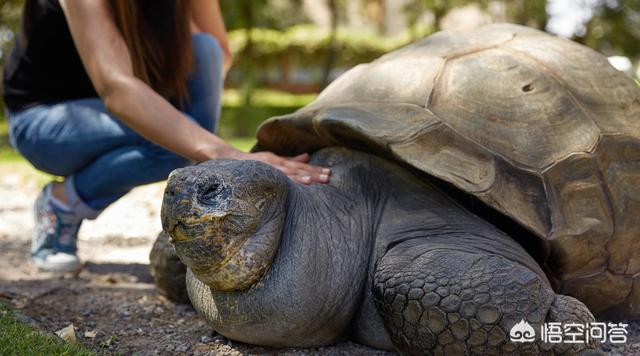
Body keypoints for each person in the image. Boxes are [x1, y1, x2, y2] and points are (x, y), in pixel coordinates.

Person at [2, 0, 330, 273]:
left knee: (204, 53)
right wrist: (225, 152)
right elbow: (117, 89)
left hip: (116, 107)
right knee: (186, 140)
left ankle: (78, 196)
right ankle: (62, 203)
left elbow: (219, 54)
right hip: (42, 119)